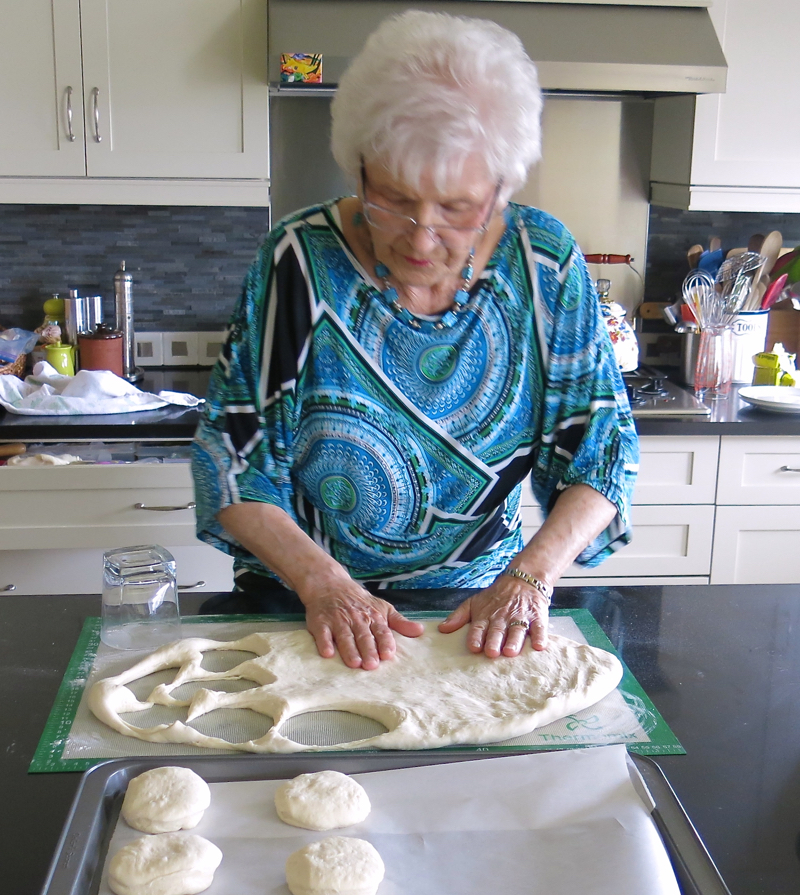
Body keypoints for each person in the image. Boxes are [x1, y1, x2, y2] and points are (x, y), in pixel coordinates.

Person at [191, 10, 639, 671]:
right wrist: (326, 584)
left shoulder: (544, 264)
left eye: (456, 208)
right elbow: (232, 462)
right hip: (307, 604)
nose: (422, 238)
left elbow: (602, 456)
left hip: (478, 609)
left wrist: (530, 577)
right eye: (395, 199)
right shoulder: (297, 262)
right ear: (359, 167)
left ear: (501, 186)